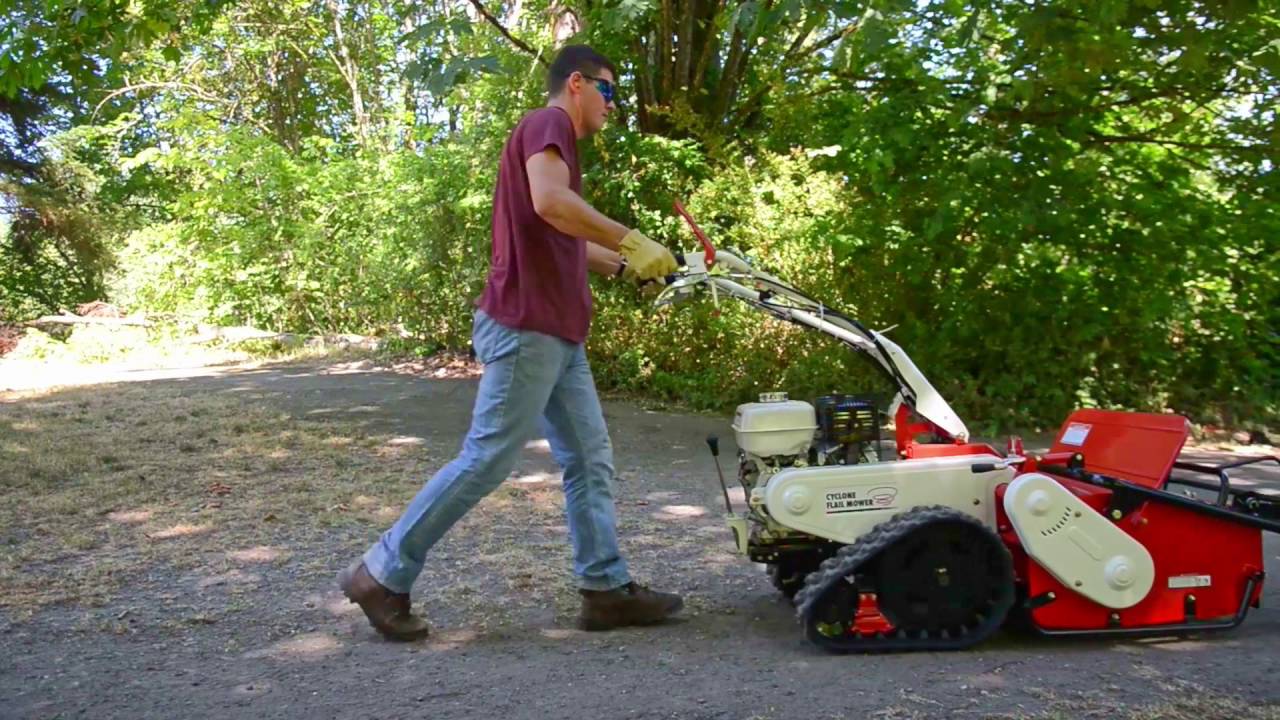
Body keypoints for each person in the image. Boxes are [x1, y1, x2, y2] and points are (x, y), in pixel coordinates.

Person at [338, 45, 684, 641]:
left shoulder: (557, 147)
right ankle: (380, 573)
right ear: (576, 83)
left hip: (557, 332)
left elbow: (563, 234)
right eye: (608, 91)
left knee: (588, 457)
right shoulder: (547, 123)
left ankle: (604, 589)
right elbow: (553, 204)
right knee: (488, 457)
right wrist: (632, 239)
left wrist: (631, 269)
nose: (613, 106)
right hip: (528, 327)